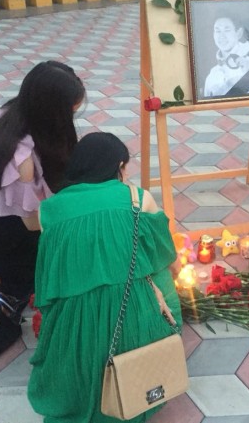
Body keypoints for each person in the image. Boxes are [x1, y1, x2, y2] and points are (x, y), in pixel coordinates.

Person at [28, 132, 182, 423]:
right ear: (119, 167)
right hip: (133, 317)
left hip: (74, 322)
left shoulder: (49, 210)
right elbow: (165, 252)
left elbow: (50, 271)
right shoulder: (137, 198)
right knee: (161, 271)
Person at [0, 61, 85, 315]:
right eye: (69, 112)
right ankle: (11, 289)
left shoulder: (16, 112)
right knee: (45, 236)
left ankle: (14, 270)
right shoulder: (18, 157)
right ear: (52, 111)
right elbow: (32, 223)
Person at [203, 16, 249, 98]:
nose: (221, 36)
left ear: (239, 33)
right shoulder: (212, 74)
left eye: (227, 30)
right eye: (217, 31)